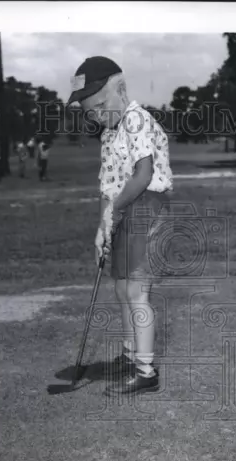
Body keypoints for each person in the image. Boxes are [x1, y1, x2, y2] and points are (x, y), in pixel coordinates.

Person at [68, 56, 173, 397]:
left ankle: (146, 371)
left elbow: (142, 175)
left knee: (136, 291)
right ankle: (131, 356)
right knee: (120, 287)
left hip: (146, 206)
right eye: (90, 112)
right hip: (122, 209)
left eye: (100, 105)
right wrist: (103, 227)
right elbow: (107, 187)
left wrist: (114, 210)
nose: (96, 115)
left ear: (121, 89)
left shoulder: (136, 119)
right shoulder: (110, 134)